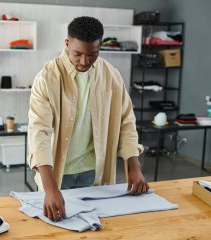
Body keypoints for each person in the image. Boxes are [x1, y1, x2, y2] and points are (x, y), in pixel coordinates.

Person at [27, 16, 149, 222]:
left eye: (92, 55)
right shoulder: (47, 77)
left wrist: (134, 165)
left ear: (100, 46)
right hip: (56, 173)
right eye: (77, 54)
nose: (84, 62)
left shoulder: (111, 75)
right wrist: (49, 188)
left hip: (94, 172)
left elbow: (126, 121)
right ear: (67, 44)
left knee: (95, 234)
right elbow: (40, 133)